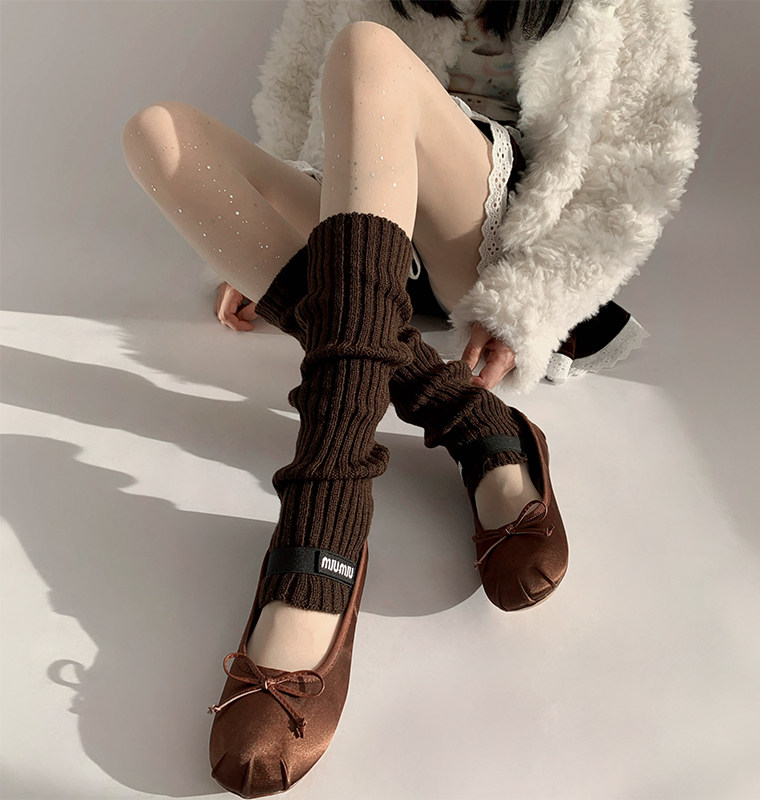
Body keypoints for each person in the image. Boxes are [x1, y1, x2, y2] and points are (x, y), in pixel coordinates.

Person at [121, 0, 699, 795]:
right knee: (157, 133)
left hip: (493, 238)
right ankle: (472, 417)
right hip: (364, 209)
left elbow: (634, 171)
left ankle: (325, 520)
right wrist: (257, 247)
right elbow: (297, 95)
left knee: (371, 52)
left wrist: (530, 303)